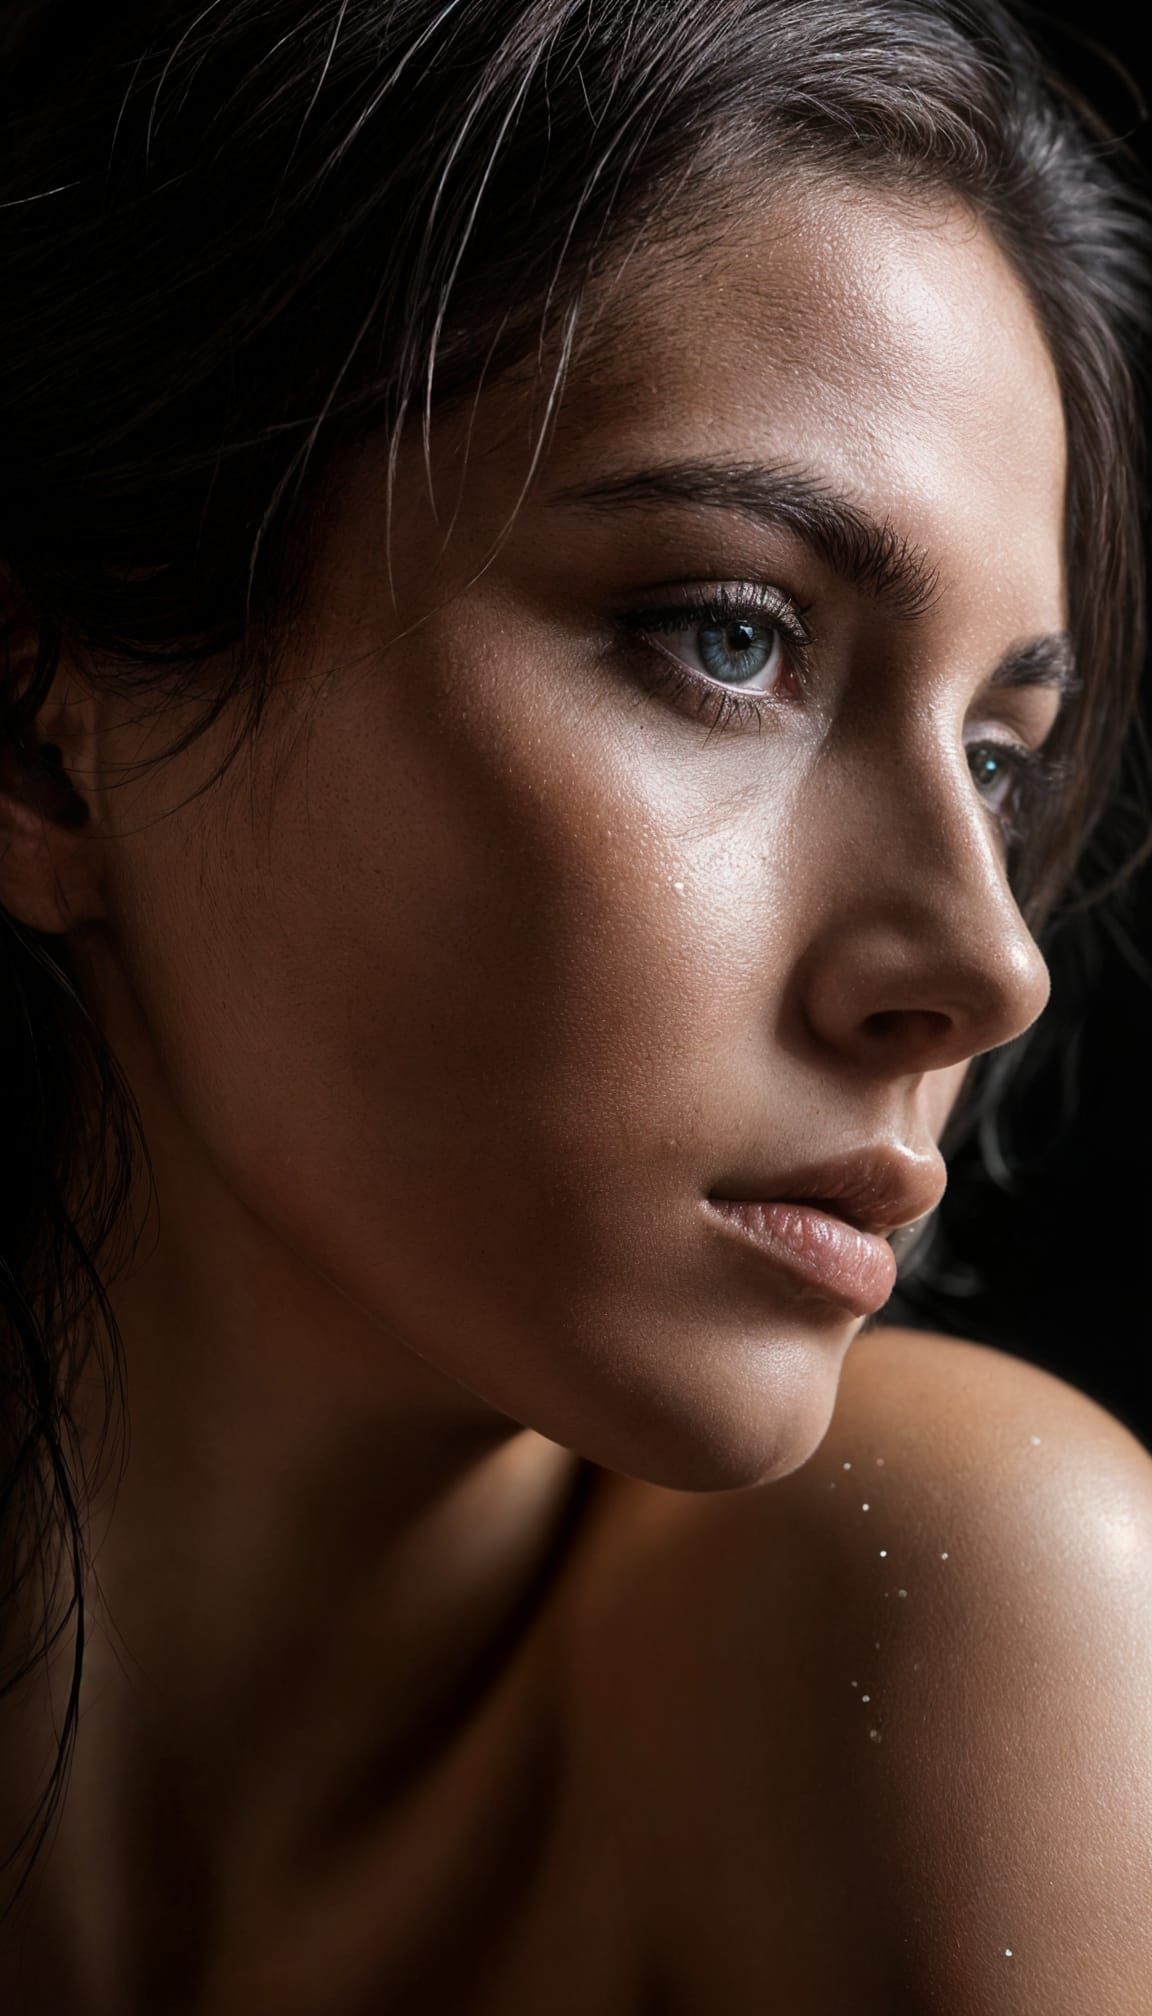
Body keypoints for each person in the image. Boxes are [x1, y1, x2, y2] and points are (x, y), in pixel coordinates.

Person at [1, 1, 1150, 2008]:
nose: (988, 964)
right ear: (39, 731)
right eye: (731, 637)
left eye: (997, 752)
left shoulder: (965, 1609)